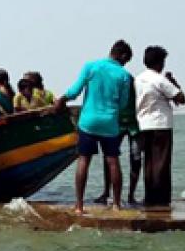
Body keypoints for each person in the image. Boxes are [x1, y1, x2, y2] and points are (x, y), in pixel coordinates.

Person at [54, 40, 134, 213]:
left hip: (88, 121)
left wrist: (61, 100)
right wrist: (111, 112)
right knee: (113, 161)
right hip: (110, 123)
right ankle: (117, 205)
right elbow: (124, 102)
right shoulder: (124, 75)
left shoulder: (91, 67)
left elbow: (74, 91)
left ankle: (79, 205)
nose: (125, 64)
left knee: (84, 160)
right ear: (123, 56)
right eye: (126, 61)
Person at [134, 45, 185, 207]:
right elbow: (181, 98)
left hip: (143, 124)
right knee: (162, 163)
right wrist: (173, 81)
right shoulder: (160, 79)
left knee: (149, 162)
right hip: (161, 125)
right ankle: (161, 198)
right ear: (159, 62)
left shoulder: (138, 79)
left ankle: (149, 196)